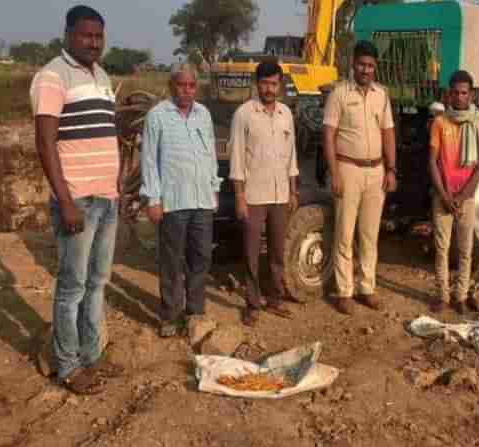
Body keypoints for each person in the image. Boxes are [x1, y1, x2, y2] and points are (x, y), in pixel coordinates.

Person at [30, 5, 122, 394]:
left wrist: (117, 187)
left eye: (98, 36)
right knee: (72, 287)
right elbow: (45, 141)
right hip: (78, 201)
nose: (93, 42)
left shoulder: (101, 76)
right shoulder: (52, 76)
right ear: (68, 34)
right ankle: (66, 365)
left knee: (98, 282)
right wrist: (64, 200)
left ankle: (91, 355)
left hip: (107, 198)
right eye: (86, 35)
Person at [140, 64, 222, 337]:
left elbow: (210, 154)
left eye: (191, 86)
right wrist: (153, 198)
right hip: (173, 202)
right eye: (181, 85)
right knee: (171, 261)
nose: (186, 91)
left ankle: (195, 313)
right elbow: (149, 159)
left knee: (201, 258)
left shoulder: (203, 114)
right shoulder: (157, 116)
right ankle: (169, 316)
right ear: (171, 86)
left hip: (201, 201)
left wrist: (214, 189)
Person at [322, 40, 396, 315]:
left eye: (370, 66)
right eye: (362, 64)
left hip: (376, 172)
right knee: (344, 233)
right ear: (353, 64)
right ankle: (344, 292)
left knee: (369, 234)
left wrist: (391, 170)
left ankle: (367, 288)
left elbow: (388, 133)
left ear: (375, 68)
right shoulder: (339, 94)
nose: (366, 70)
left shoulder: (382, 95)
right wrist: (335, 172)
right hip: (348, 169)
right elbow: (328, 135)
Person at [228, 61, 300, 326]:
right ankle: (252, 303)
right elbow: (236, 158)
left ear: (279, 85)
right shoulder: (244, 114)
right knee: (250, 251)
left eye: (273, 83)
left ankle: (275, 299)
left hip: (280, 194)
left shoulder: (285, 114)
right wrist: (239, 197)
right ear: (256, 84)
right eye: (264, 83)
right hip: (253, 196)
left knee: (278, 252)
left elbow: (291, 156)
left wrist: (293, 191)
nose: (269, 89)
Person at [428, 70, 479, 314]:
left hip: (466, 197)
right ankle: (443, 295)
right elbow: (432, 161)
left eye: (464, 93)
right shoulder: (440, 123)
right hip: (443, 196)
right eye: (456, 93)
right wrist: (444, 195)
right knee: (441, 249)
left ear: (471, 95)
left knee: (465, 250)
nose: (460, 97)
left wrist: (463, 196)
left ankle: (460, 296)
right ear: (449, 94)